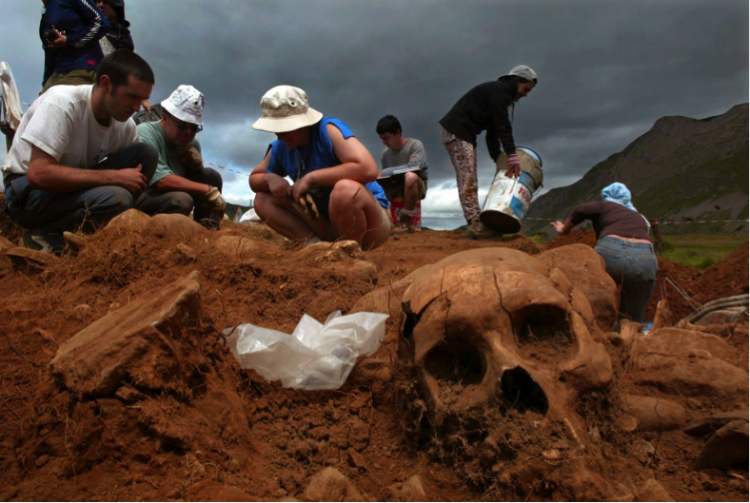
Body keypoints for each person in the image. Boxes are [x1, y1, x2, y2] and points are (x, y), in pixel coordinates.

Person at [2, 50, 158, 254]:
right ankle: (45, 237)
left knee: (145, 154)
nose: (137, 107)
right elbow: (38, 174)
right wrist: (114, 177)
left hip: (70, 188)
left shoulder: (125, 125)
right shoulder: (61, 103)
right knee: (117, 196)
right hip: (27, 194)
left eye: (143, 99)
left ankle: (100, 228)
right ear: (105, 84)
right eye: (132, 97)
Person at [250, 85, 390, 250]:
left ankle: (351, 255)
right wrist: (269, 178)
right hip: (325, 222)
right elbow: (254, 178)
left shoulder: (327, 130)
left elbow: (368, 169)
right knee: (262, 199)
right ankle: (316, 248)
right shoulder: (281, 146)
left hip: (369, 222)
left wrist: (311, 177)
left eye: (283, 128)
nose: (279, 135)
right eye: (275, 129)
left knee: (345, 191)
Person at [439, 65, 537, 239]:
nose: (526, 94)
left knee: (470, 176)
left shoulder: (498, 96)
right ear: (516, 81)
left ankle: (476, 221)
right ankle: (475, 224)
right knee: (468, 177)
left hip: (465, 133)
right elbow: (503, 126)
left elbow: (493, 135)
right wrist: (512, 156)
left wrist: (498, 160)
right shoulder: (498, 91)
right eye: (525, 89)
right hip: (456, 130)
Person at [551, 182, 658, 325]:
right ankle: (628, 335)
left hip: (611, 250)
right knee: (632, 320)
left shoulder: (605, 206)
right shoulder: (639, 216)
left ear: (606, 197)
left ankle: (590, 327)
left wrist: (564, 230)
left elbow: (582, 209)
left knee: (594, 304)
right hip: (644, 258)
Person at [135, 85, 226, 230]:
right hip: (145, 194)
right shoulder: (145, 133)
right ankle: (151, 232)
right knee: (181, 200)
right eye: (182, 126)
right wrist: (208, 189)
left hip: (172, 193)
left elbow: (197, 180)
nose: (188, 133)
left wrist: (196, 168)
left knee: (211, 176)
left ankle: (209, 231)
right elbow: (161, 181)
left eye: (194, 128)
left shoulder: (192, 144)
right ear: (165, 118)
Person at [40, 0, 111, 93]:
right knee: (39, 105)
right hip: (59, 71)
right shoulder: (46, 15)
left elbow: (101, 23)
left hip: (83, 67)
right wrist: (45, 86)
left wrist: (69, 41)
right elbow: (50, 56)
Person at [375, 115, 428, 232]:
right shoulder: (385, 154)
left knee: (410, 176)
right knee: (373, 184)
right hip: (394, 189)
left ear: (398, 132)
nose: (384, 142)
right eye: (381, 138)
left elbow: (415, 166)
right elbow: (385, 179)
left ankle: (405, 221)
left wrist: (384, 172)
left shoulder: (415, 145)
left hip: (415, 185)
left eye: (387, 137)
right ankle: (381, 222)